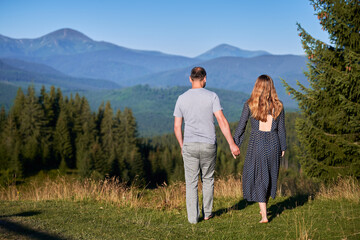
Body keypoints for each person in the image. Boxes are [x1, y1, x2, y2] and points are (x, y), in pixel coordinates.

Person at [173, 66, 240, 224]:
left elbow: (177, 127)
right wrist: (231, 144)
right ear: (204, 79)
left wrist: (182, 145)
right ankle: (207, 213)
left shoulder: (181, 98)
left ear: (190, 79)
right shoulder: (212, 96)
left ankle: (192, 219)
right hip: (208, 144)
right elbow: (222, 121)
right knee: (208, 179)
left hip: (189, 144)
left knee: (191, 182)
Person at [233, 74, 286, 223]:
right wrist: (283, 146)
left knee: (259, 178)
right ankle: (264, 208)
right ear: (271, 88)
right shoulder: (279, 105)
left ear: (257, 87)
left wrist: (236, 144)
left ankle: (264, 215)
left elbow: (241, 127)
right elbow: (282, 130)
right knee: (269, 177)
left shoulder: (250, 105)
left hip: (257, 143)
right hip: (274, 143)